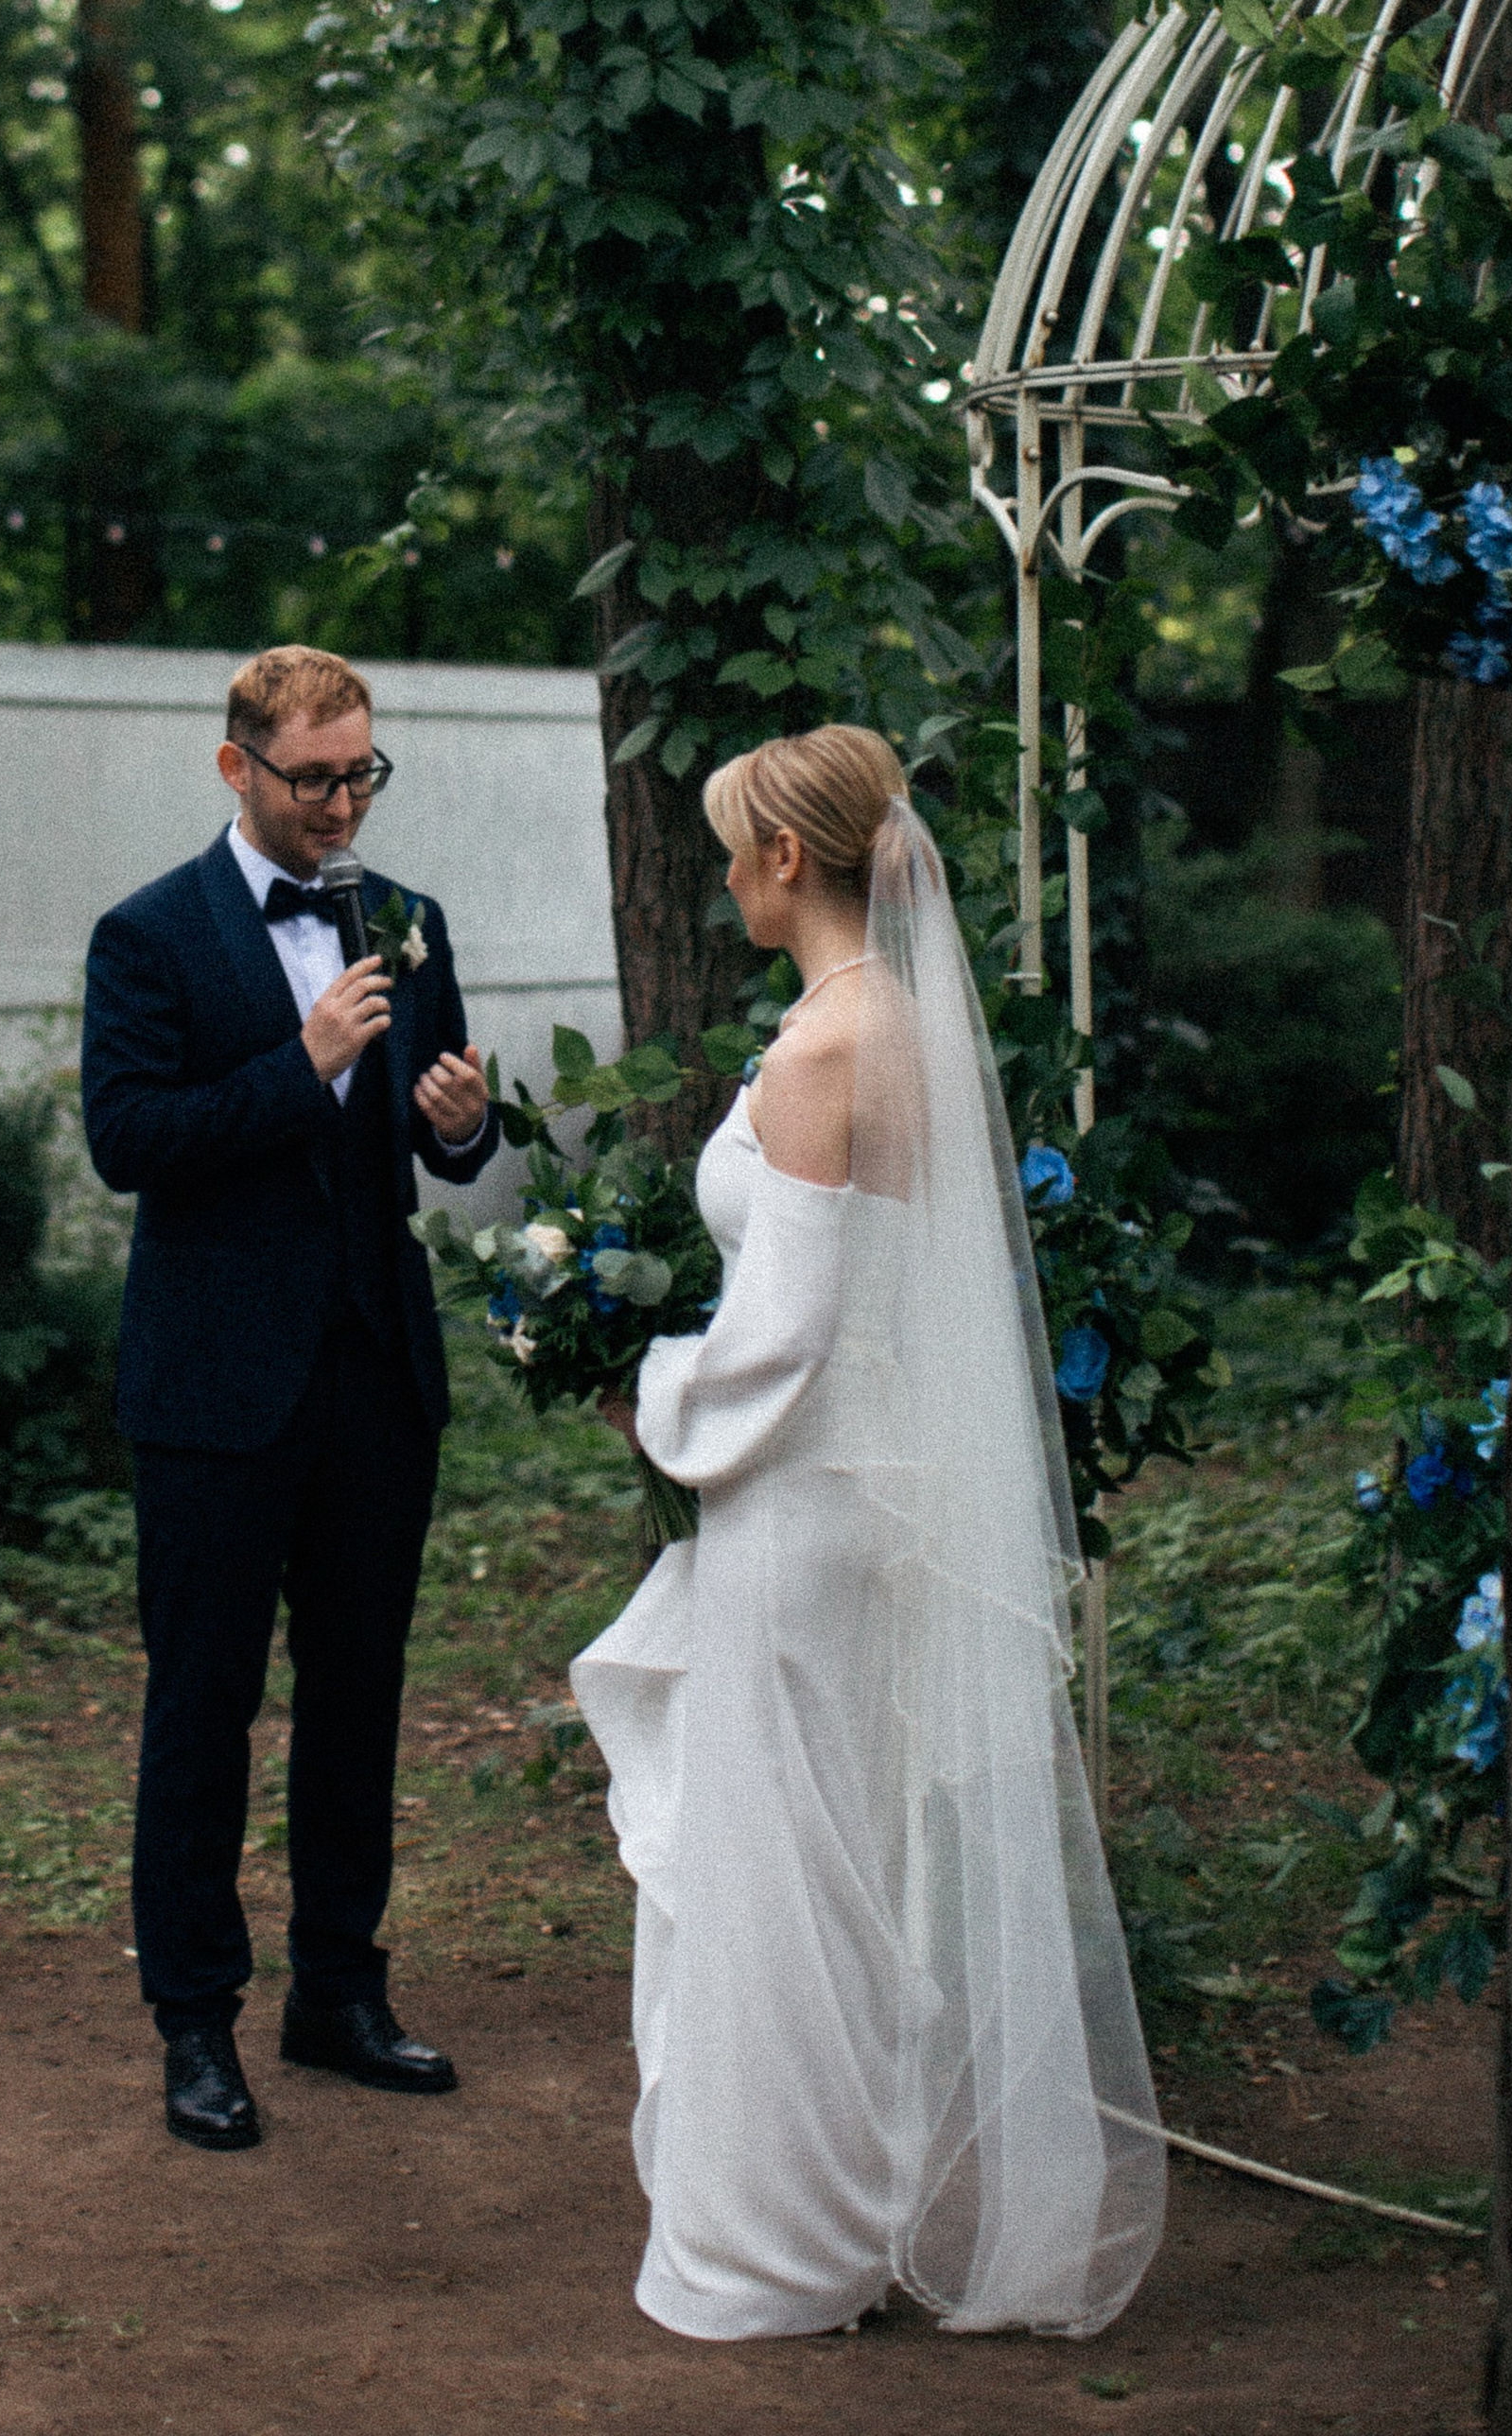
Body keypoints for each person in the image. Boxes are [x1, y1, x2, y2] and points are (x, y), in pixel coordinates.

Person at [571, 723, 1166, 2340]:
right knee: (834, 1858)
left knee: (786, 1871)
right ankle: (818, 2215)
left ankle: (779, 2250)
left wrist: (648, 1388)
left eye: (728, 847)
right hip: (847, 1495)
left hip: (800, 1501)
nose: (719, 875)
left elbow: (791, 1331)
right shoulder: (879, 1019)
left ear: (786, 861)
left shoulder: (832, 1044)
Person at [81, 644, 499, 2153]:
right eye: (313, 777)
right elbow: (128, 1139)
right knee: (202, 1706)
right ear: (235, 767)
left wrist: (461, 1122)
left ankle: (341, 1992)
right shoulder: (146, 937)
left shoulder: (410, 920)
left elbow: (435, 1135)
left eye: (359, 774)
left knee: (360, 1694)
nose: (340, 804)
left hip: (375, 1370)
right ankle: (196, 2024)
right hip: (212, 1387)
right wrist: (301, 1060)